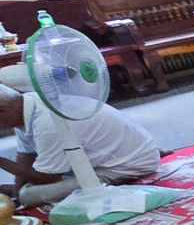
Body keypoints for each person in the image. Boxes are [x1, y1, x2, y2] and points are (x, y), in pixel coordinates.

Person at [0, 67, 161, 210]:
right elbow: (25, 156)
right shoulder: (26, 104)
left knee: (29, 196)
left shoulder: (48, 122)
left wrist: (5, 166)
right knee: (25, 189)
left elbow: (48, 177)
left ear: (2, 109)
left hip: (128, 164)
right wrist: (16, 191)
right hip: (118, 154)